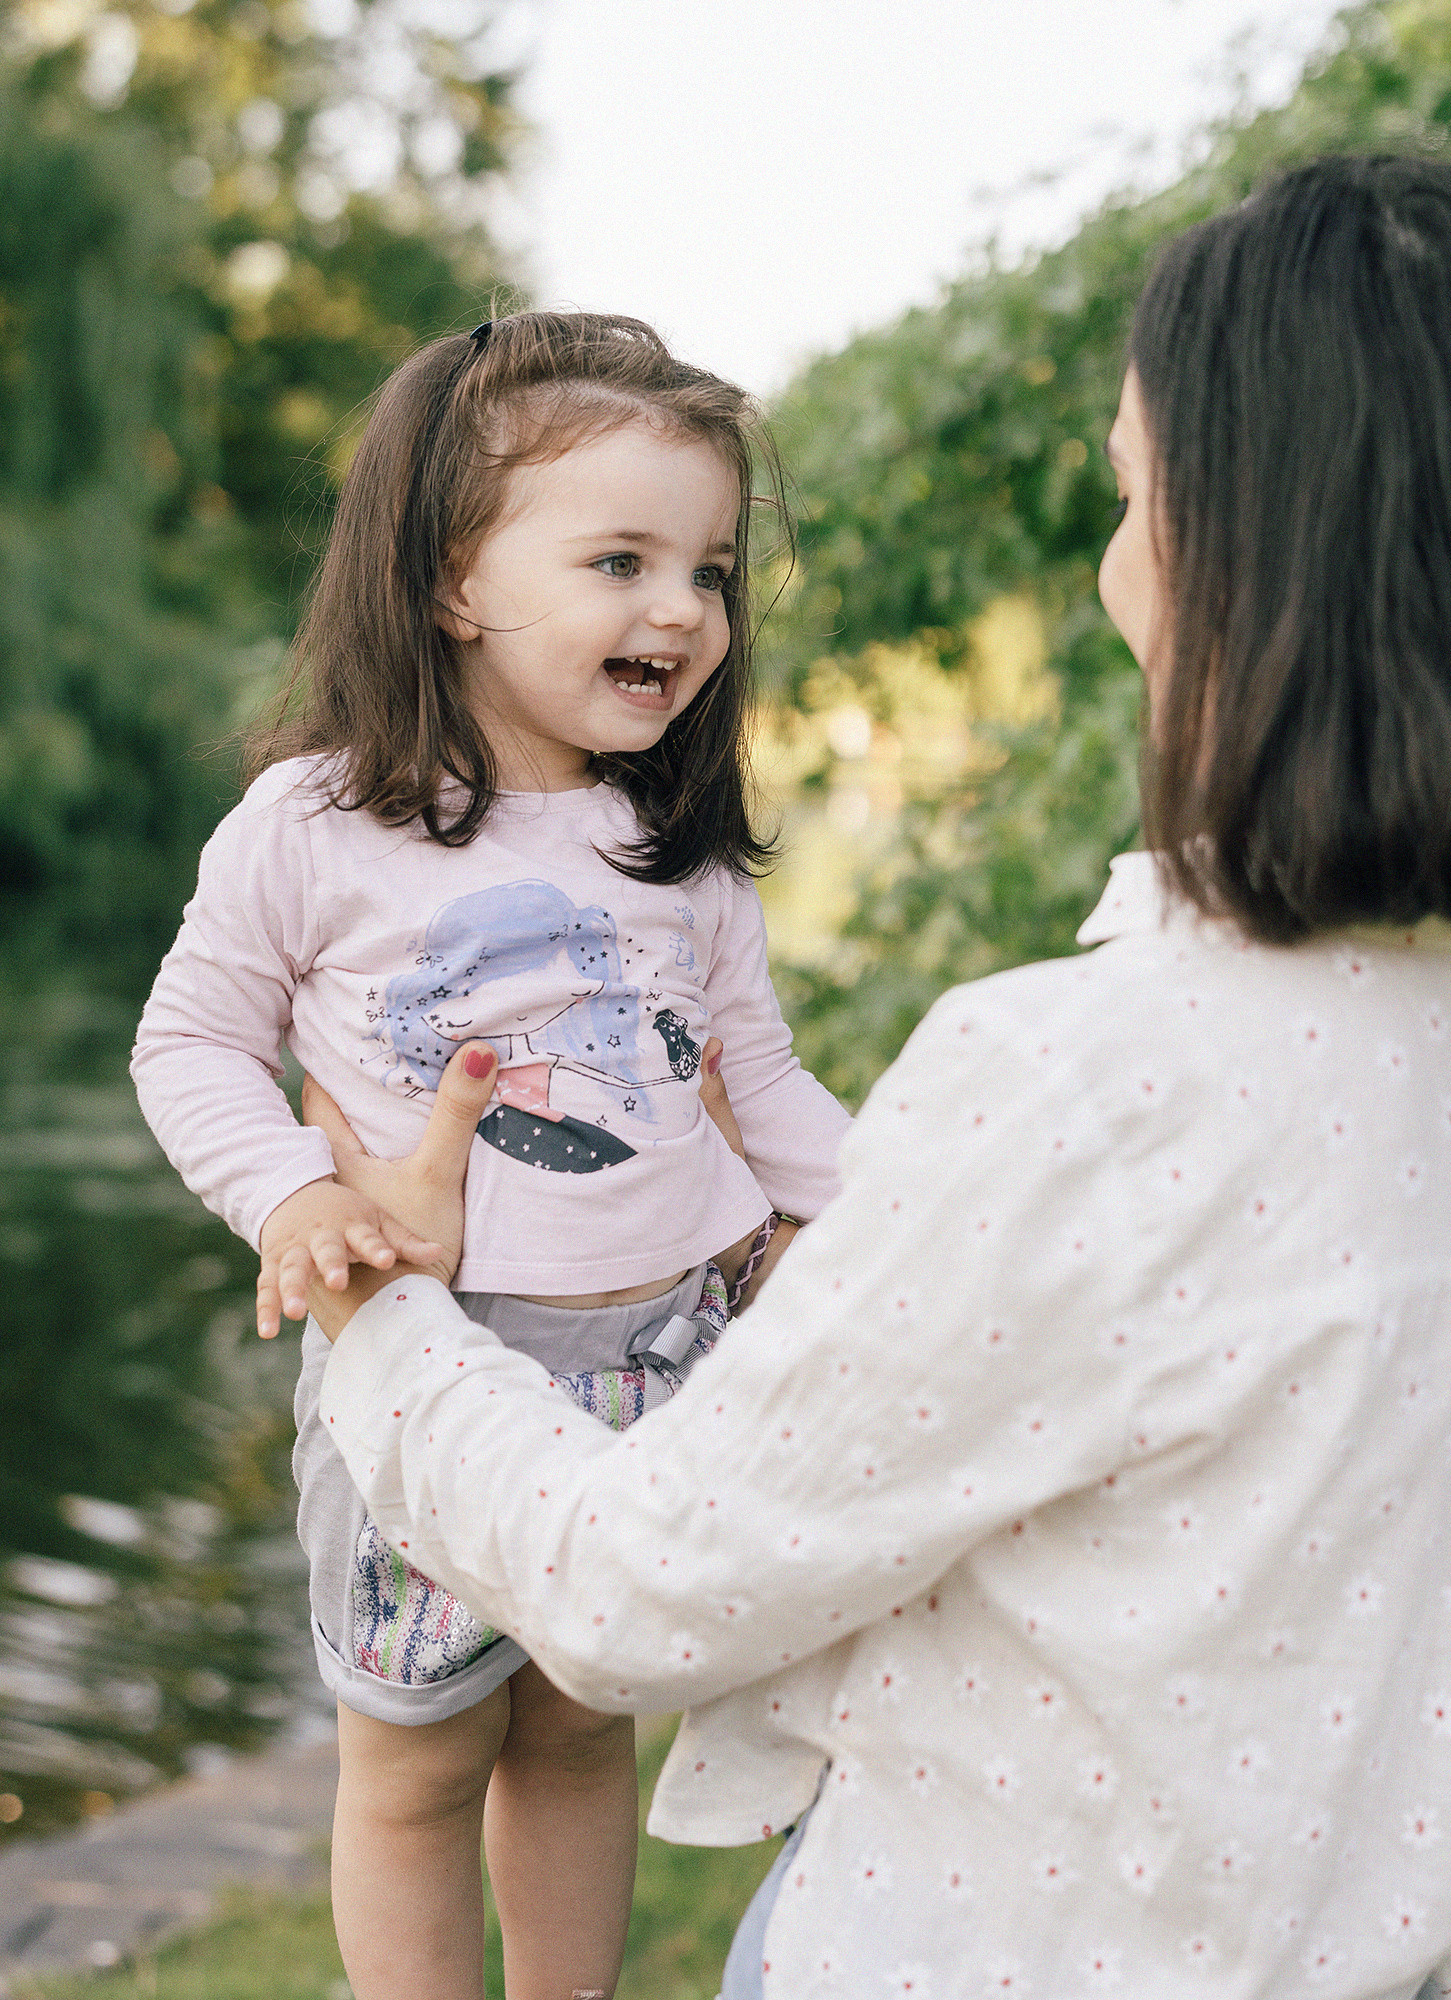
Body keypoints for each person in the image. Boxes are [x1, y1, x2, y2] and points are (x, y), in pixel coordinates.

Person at [299, 156, 1451, 1999]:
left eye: (1133, 495)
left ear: (1249, 551)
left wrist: (378, 1310)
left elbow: (634, 1589)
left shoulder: (1091, 1084)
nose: (1112, 564)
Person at [130, 312, 850, 2000]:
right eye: (622, 561)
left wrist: (879, 1226)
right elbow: (190, 1043)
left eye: (710, 571)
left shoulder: (673, 853)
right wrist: (298, 1194)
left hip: (657, 1365)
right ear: (457, 581)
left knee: (580, 1730)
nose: (682, 609)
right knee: (417, 1761)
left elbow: (758, 1079)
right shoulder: (317, 824)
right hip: (433, 1367)